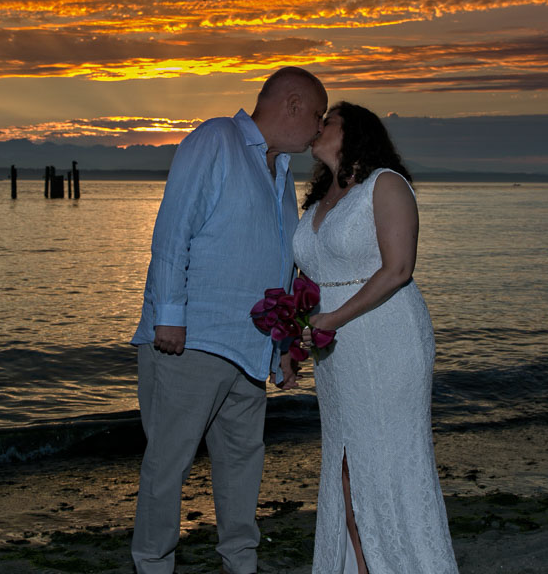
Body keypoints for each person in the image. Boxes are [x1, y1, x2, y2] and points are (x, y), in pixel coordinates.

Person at [130, 67, 328, 574]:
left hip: (251, 347)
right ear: (292, 103)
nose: (318, 129)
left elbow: (281, 267)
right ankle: (152, 564)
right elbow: (174, 228)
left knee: (243, 459)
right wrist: (170, 317)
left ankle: (241, 562)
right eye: (317, 116)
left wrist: (283, 344)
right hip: (192, 339)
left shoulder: (281, 173)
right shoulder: (216, 137)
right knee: (168, 463)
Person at [295, 102, 459, 574]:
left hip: (385, 335)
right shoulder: (323, 196)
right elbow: (312, 276)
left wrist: (333, 318)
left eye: (328, 122)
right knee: (343, 467)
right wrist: (296, 331)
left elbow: (399, 268)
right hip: (336, 348)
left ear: (355, 134)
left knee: (379, 465)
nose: (317, 127)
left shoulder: (385, 184)